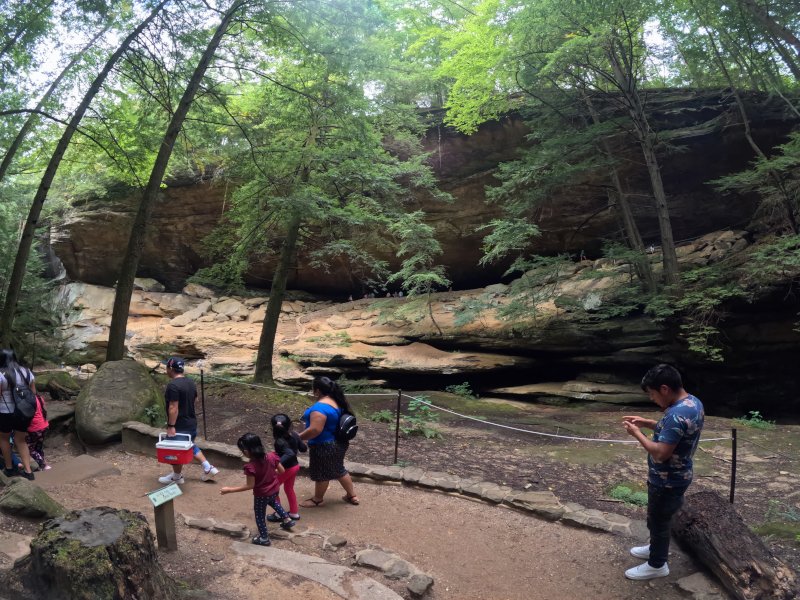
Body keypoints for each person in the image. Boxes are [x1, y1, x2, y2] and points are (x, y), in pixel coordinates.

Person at [622, 363, 704, 581]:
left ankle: (657, 565)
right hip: (678, 476)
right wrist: (649, 423)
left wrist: (637, 433)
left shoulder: (676, 415)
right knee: (657, 518)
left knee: (659, 521)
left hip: (667, 480)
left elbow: (660, 453)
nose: (652, 398)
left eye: (652, 393)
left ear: (665, 389)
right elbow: (674, 432)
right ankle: (654, 548)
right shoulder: (692, 402)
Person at [220, 433, 295, 546]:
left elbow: (250, 485)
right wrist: (270, 473)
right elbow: (282, 471)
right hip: (274, 489)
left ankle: (264, 537)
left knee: (260, 515)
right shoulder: (272, 456)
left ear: (245, 451)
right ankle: (287, 520)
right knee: (274, 502)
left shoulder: (250, 467)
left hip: (262, 495)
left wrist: (229, 489)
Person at [298, 376, 359, 507]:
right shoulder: (337, 401)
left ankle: (317, 499)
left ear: (317, 391)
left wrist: (298, 437)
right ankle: (351, 495)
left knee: (322, 474)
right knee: (339, 470)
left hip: (323, 446)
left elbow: (315, 430)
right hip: (339, 443)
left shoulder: (319, 408)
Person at [158, 357, 219, 485]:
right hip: (191, 421)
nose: (166, 369)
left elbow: (173, 407)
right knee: (189, 444)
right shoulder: (190, 382)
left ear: (170, 368)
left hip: (179, 424)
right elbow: (195, 399)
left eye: (167, 367)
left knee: (174, 450)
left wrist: (171, 425)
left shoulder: (173, 385)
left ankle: (177, 476)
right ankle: (208, 467)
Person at [0, 349, 36, 480]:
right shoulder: (27, 372)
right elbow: (33, 394)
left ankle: (9, 468)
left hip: (5, 412)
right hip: (24, 412)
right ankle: (28, 471)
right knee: (20, 440)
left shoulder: (1, 374)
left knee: (4, 439)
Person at [267, 413, 306, 521]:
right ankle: (294, 513)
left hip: (285, 469)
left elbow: (289, 453)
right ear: (289, 425)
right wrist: (300, 441)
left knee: (273, 489)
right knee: (289, 488)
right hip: (295, 466)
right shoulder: (294, 434)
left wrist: (277, 464)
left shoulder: (279, 441)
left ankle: (279, 514)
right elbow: (303, 449)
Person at [26, 392, 50, 471]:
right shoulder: (38, 397)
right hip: (43, 425)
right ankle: (42, 465)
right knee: (38, 447)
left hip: (34, 427)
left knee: (30, 448)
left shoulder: (26, 399)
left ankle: (43, 464)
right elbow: (44, 408)